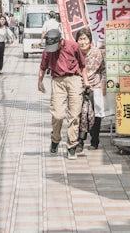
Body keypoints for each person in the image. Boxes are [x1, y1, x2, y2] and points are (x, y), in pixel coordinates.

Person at [38, 29, 89, 160]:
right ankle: (55, 139)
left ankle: (71, 146)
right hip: (57, 81)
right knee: (58, 114)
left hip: (74, 79)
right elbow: (43, 66)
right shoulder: (48, 50)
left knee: (74, 115)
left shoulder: (73, 46)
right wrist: (40, 81)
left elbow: (82, 65)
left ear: (61, 41)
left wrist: (86, 82)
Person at [75, 28, 106, 151]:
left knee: (95, 115)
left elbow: (104, 70)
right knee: (79, 114)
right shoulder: (75, 53)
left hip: (95, 87)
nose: (82, 42)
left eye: (85, 39)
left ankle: (94, 140)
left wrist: (103, 83)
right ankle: (80, 141)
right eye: (80, 39)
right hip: (79, 87)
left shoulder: (97, 53)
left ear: (90, 40)